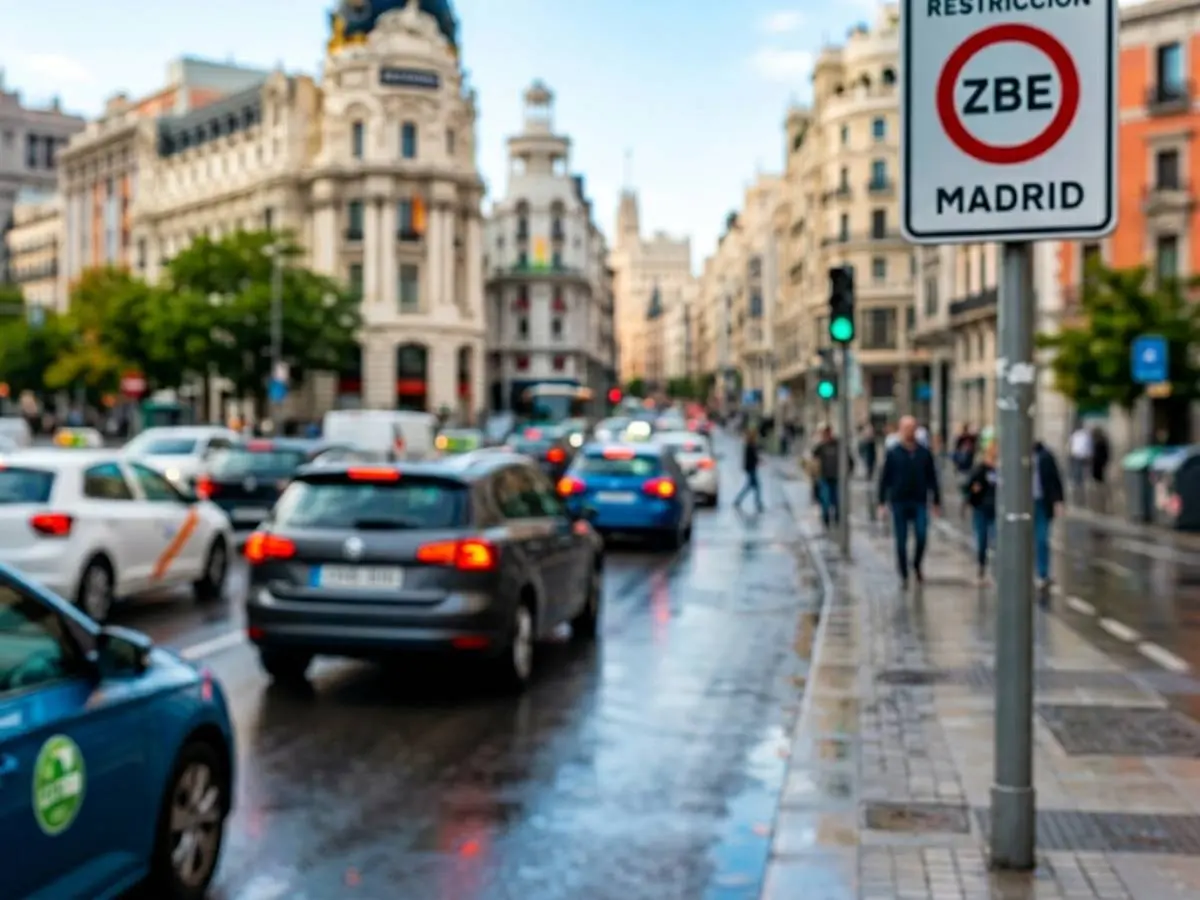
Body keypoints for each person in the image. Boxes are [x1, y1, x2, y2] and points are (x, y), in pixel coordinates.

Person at [877, 416, 942, 586]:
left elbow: (932, 477)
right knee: (901, 539)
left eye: (912, 428)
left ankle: (917, 564)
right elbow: (885, 478)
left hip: (919, 500)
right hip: (899, 501)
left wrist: (936, 500)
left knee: (921, 535)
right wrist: (881, 502)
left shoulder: (924, 453)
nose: (909, 431)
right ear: (900, 430)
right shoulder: (893, 453)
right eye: (906, 428)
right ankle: (903, 573)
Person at [1033, 440, 1066, 589]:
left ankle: (1042, 573)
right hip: (1024, 504)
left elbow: (1055, 479)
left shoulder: (1045, 457)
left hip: (1041, 503)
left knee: (1042, 538)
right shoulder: (1015, 456)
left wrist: (1058, 501)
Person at [965, 440, 998, 583]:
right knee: (982, 539)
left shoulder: (1002, 469)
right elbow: (970, 485)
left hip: (996, 509)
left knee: (995, 539)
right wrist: (974, 490)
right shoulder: (980, 468)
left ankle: (994, 569)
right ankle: (981, 566)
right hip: (981, 507)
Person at [811, 424, 851, 528]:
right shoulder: (820, 447)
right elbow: (813, 461)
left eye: (826, 433)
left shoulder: (838, 445)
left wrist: (847, 472)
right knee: (825, 499)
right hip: (824, 477)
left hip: (837, 477)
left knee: (836, 499)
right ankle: (826, 518)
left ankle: (837, 517)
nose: (825, 436)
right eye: (823, 434)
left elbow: (849, 460)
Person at [733, 428, 764, 513]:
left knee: (750, 486)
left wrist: (759, 461)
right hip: (751, 468)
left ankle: (739, 500)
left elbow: (752, 457)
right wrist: (758, 461)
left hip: (750, 468)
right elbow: (752, 457)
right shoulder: (750, 445)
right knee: (755, 487)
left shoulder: (750, 445)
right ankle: (758, 503)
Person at [1068, 422, 1092, 505]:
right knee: (1082, 477)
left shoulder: (1076, 435)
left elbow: (1072, 446)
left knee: (1077, 477)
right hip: (1082, 457)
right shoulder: (1085, 435)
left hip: (1077, 457)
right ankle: (1080, 495)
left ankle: (1077, 494)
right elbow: (1089, 447)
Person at [1090, 425, 1111, 512]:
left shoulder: (1098, 443)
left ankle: (1099, 506)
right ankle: (1100, 506)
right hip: (1101, 467)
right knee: (1100, 487)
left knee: (1098, 487)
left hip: (1098, 467)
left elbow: (1096, 456)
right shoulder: (1102, 442)